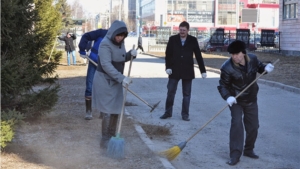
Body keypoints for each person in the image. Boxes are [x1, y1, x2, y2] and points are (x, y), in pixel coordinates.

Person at [217, 40, 274, 166]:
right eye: (232, 54)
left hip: (251, 99)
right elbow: (222, 86)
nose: (234, 57)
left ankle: (248, 150)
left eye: (237, 54)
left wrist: (266, 67)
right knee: (236, 125)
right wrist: (228, 97)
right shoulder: (227, 68)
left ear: (243, 53)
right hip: (235, 100)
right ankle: (235, 155)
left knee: (253, 126)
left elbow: (260, 68)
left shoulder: (252, 59)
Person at [92, 20, 137, 148]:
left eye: (122, 36)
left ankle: (112, 136)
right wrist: (122, 78)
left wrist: (130, 55)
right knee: (107, 111)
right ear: (113, 33)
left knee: (116, 110)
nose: (120, 38)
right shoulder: (105, 44)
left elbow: (120, 59)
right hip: (105, 81)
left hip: (115, 82)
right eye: (118, 35)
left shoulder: (121, 43)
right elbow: (106, 65)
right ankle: (105, 139)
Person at [160, 21, 207, 121]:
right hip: (174, 71)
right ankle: (168, 112)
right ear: (179, 29)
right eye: (180, 30)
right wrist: (168, 67)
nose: (182, 32)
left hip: (187, 71)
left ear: (188, 30)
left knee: (186, 94)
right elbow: (168, 54)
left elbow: (198, 56)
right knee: (170, 92)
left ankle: (185, 114)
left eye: (184, 30)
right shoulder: (172, 39)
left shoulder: (193, 40)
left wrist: (203, 70)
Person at [78, 29, 108, 120]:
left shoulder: (118, 39)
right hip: (93, 62)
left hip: (106, 65)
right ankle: (88, 111)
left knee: (105, 87)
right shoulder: (101, 33)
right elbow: (86, 36)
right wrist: (82, 49)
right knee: (89, 86)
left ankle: (103, 111)